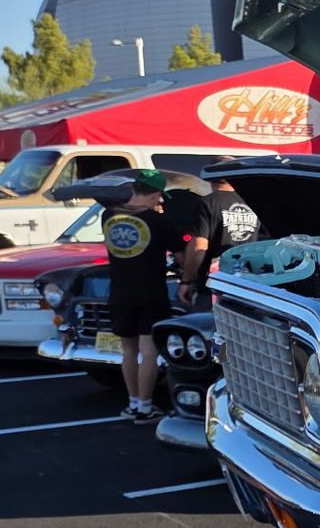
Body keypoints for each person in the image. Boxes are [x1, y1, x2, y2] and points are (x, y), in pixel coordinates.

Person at [103, 170, 177, 422]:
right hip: (150, 291)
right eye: (159, 198)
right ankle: (146, 407)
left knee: (128, 350)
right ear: (155, 194)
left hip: (119, 291)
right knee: (149, 352)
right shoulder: (158, 222)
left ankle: (132, 403)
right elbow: (181, 249)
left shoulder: (108, 216)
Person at [177, 167, 260, 304]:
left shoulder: (207, 202)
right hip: (247, 284)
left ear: (210, 178)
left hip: (214, 284)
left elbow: (199, 246)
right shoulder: (252, 202)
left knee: (207, 323)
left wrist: (187, 280)